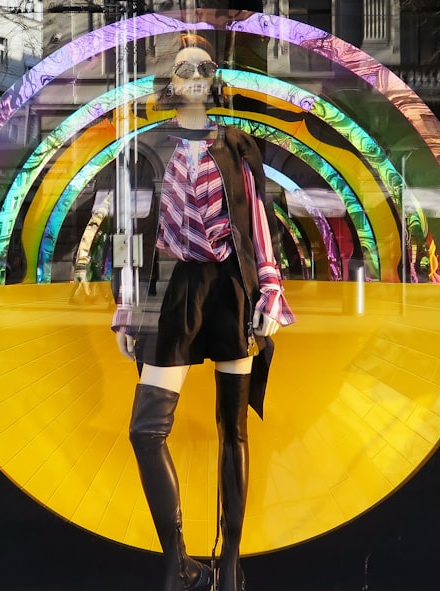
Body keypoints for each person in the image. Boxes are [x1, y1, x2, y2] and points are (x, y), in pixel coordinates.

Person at [111, 34, 294, 591]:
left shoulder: (238, 145)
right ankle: (178, 560)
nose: (194, 74)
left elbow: (257, 223)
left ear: (215, 79)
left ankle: (232, 560)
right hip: (180, 288)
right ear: (171, 81)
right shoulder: (149, 148)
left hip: (232, 291)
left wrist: (269, 290)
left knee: (232, 430)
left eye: (204, 67)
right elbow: (131, 231)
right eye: (184, 67)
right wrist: (126, 304)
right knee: (147, 429)